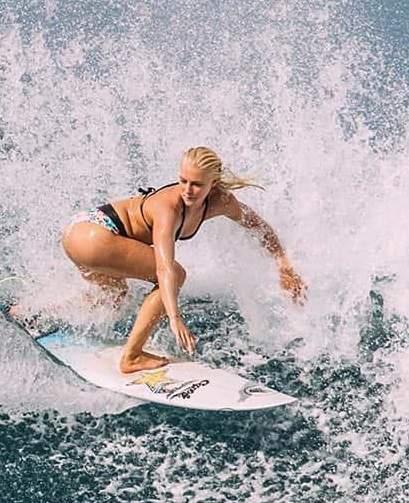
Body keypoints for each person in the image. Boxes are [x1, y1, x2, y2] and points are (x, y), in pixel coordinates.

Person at [61, 146, 306, 373]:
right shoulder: (168, 208)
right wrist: (174, 317)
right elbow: (165, 269)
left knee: (114, 297)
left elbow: (256, 225)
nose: (188, 190)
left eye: (197, 184)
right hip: (94, 235)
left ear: (214, 182)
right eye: (183, 181)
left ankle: (35, 313)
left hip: (78, 234)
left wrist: (283, 265)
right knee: (178, 274)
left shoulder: (222, 202)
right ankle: (132, 356)